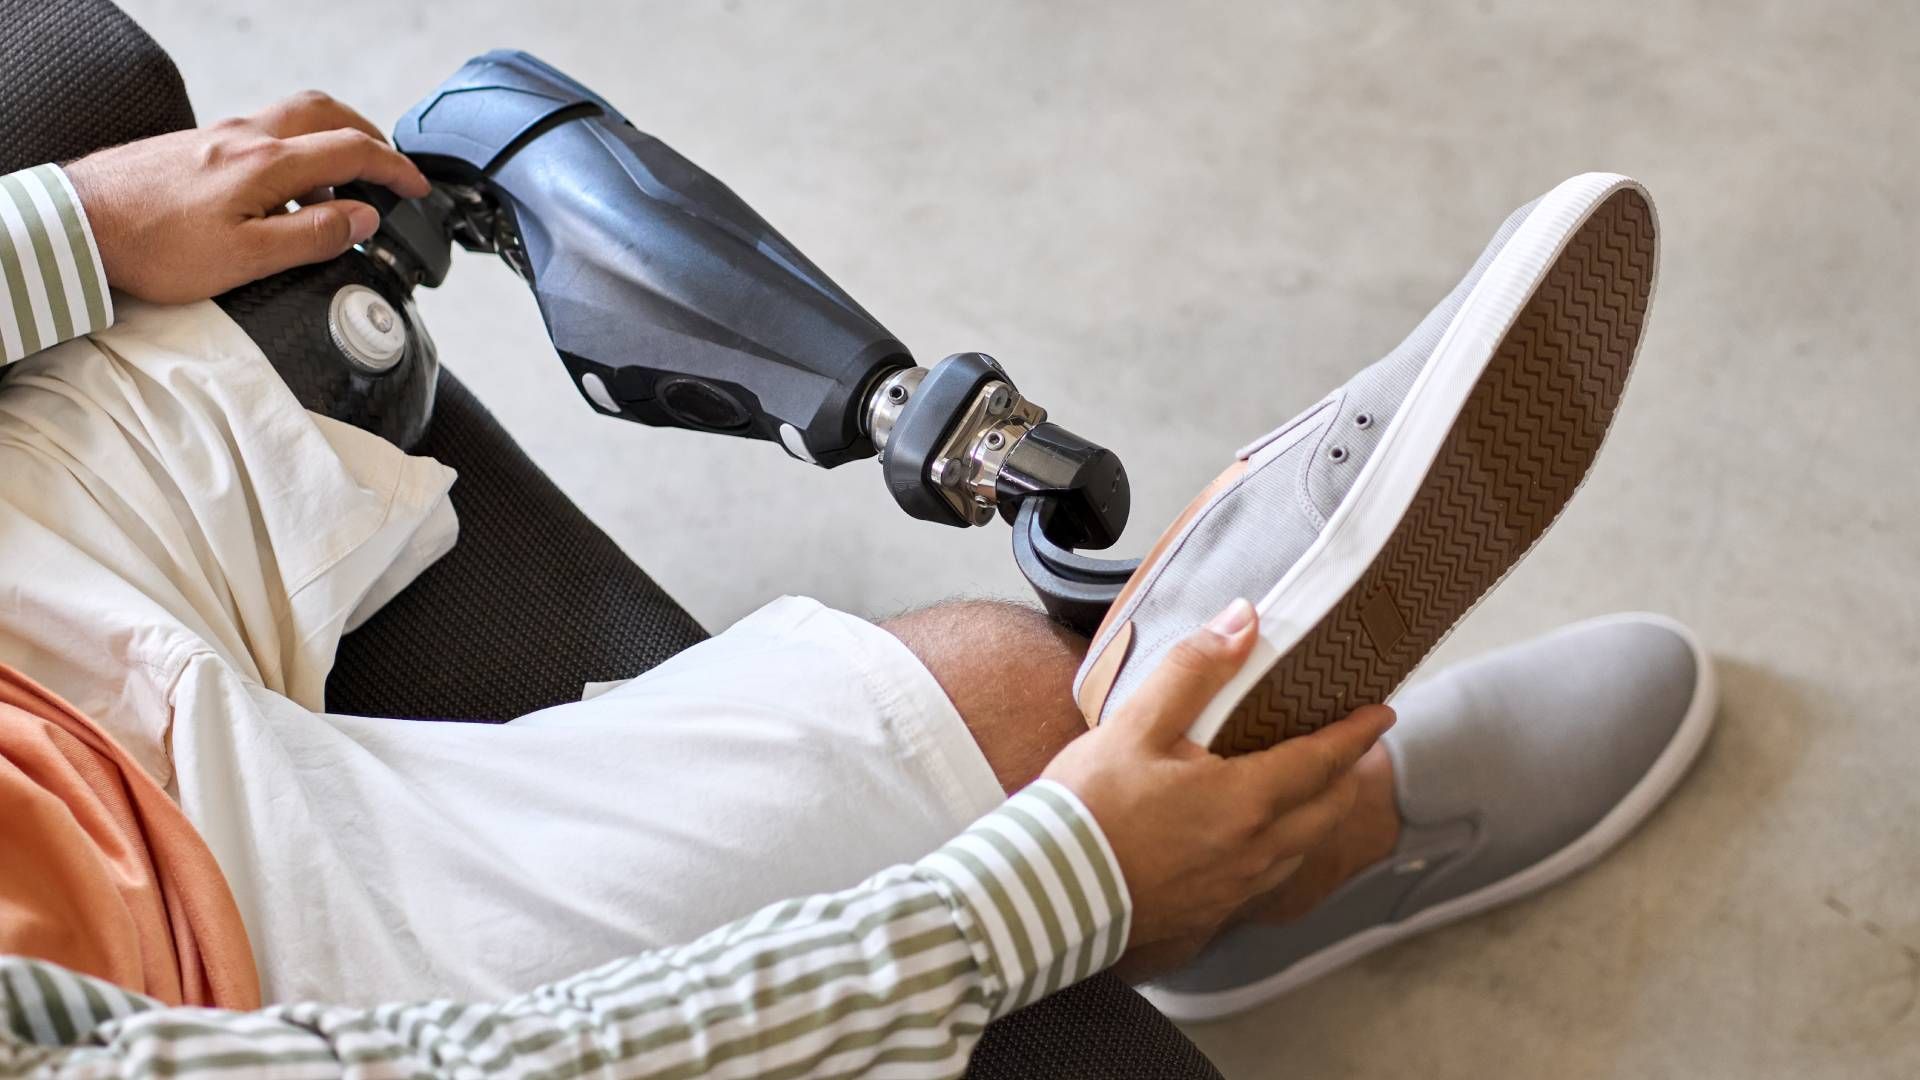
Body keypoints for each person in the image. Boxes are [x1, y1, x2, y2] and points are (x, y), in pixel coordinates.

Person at [0, 92, 1713, 1078]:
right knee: (1014, 706)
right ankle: (1310, 837)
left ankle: (1207, 718)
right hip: (196, 979)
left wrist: (72, 222)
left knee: (328, 270)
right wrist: (1048, 890)